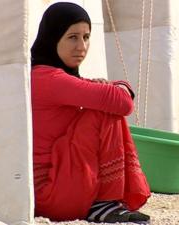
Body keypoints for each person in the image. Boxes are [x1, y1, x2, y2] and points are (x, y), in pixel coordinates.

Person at [30, 2, 151, 224]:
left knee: (103, 105)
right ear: (52, 37)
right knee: (105, 112)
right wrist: (120, 87)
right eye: (72, 37)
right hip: (52, 193)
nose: (81, 46)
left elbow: (107, 96)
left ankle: (103, 203)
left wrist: (109, 90)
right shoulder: (49, 79)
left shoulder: (47, 74)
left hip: (54, 188)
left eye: (86, 37)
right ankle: (103, 203)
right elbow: (122, 102)